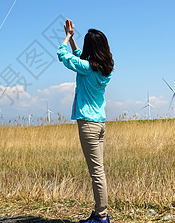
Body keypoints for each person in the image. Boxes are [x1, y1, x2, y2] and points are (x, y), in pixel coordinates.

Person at [57, 20, 114, 223]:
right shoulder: (104, 68)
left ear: (90, 47)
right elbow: (79, 56)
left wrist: (66, 37)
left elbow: (62, 55)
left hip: (88, 125)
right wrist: (73, 41)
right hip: (100, 124)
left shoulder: (87, 68)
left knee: (96, 173)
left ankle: (101, 216)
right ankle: (100, 212)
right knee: (98, 171)